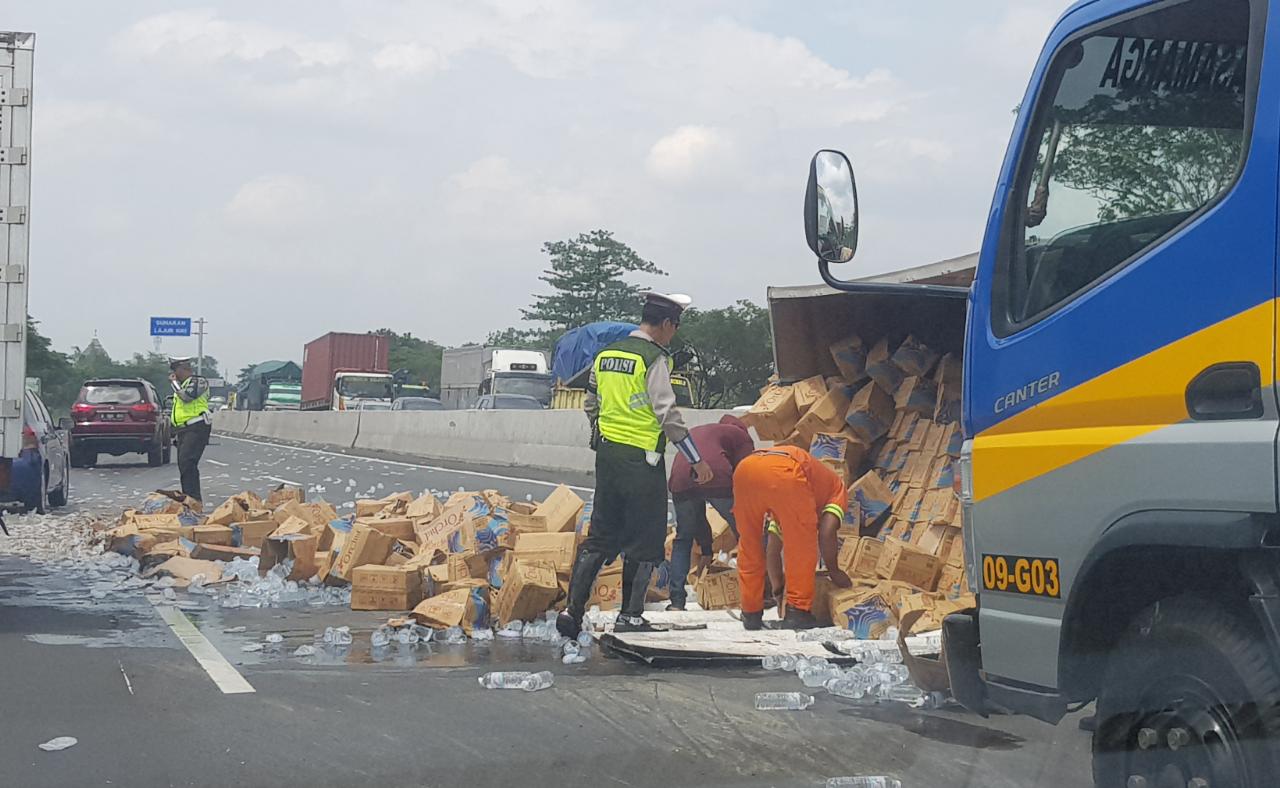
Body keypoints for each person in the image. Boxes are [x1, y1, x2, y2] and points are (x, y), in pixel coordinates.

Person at [557, 292, 713, 638]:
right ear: (667, 324)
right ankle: (629, 615)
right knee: (645, 540)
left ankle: (572, 610)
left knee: (600, 535)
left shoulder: (606, 355)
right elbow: (667, 413)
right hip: (643, 460)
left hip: (608, 457)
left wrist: (600, 436)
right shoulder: (654, 357)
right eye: (674, 328)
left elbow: (591, 402)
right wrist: (696, 459)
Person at [733, 445, 853, 630]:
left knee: (749, 544)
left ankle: (750, 613)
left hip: (746, 469)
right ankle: (798, 612)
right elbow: (827, 532)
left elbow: (772, 551)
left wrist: (778, 589)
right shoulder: (837, 489)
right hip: (785, 472)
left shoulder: (795, 500)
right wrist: (834, 571)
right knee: (801, 547)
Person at [666, 414, 754, 610]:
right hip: (716, 475)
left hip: (680, 478)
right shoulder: (740, 435)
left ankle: (677, 602)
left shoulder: (705, 430)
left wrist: (706, 549)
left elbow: (699, 519)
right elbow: (747, 472)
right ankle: (754, 593)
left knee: (683, 538)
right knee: (747, 534)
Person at [169, 357, 212, 507]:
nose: (174, 375)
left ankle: (194, 501)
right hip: (184, 429)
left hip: (197, 426)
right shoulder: (183, 385)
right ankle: (189, 499)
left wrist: (174, 384)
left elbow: (187, 398)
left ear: (184, 369)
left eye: (176, 371)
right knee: (183, 464)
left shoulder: (198, 381)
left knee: (188, 462)